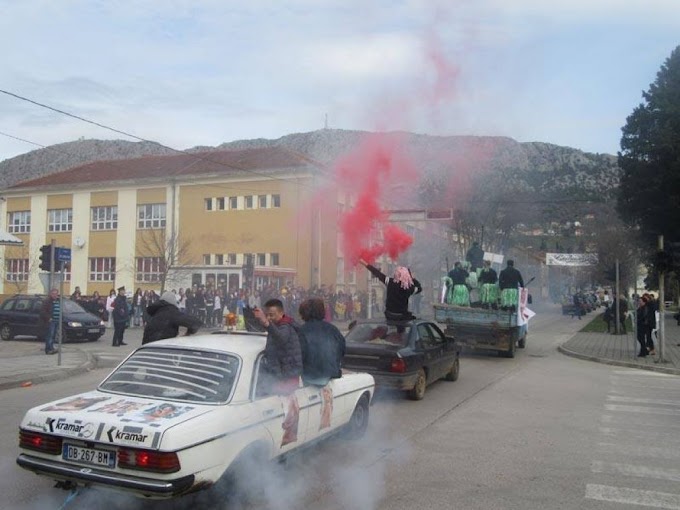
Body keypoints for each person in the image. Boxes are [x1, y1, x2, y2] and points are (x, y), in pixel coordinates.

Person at [252, 298, 303, 395]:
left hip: (287, 376)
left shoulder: (286, 326)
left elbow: (281, 338)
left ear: (281, 313)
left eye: (272, 315)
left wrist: (266, 323)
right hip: (280, 373)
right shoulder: (277, 325)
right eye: (267, 315)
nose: (269, 318)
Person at [298, 298, 345, 386]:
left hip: (309, 377)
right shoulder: (333, 329)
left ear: (303, 313)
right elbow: (341, 350)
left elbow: (299, 356)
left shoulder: (301, 331)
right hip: (331, 374)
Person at [40, 289, 60, 355]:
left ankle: (52, 348)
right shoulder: (47, 301)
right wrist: (49, 318)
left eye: (56, 294)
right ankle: (48, 349)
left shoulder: (57, 301)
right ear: (50, 294)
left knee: (53, 335)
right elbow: (42, 311)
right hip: (50, 321)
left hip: (57, 320)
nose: (55, 295)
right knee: (50, 335)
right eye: (53, 294)